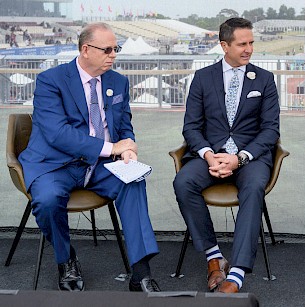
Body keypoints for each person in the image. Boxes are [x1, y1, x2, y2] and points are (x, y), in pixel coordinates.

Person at [19, 22, 160, 293]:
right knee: (48, 200)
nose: (113, 55)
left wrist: (128, 147)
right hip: (55, 163)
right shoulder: (51, 80)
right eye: (107, 49)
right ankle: (66, 258)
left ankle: (141, 272)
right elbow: (58, 134)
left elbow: (123, 123)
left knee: (133, 180)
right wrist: (113, 149)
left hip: (101, 166)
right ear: (86, 49)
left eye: (115, 49)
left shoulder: (118, 81)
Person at [173, 17, 280, 294]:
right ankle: (213, 257)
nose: (249, 49)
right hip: (210, 155)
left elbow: (271, 131)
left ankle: (237, 273)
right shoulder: (202, 77)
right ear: (224, 45)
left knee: (255, 186)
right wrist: (209, 156)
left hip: (250, 158)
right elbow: (191, 127)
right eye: (242, 44)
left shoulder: (265, 80)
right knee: (183, 182)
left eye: (251, 43)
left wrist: (240, 158)